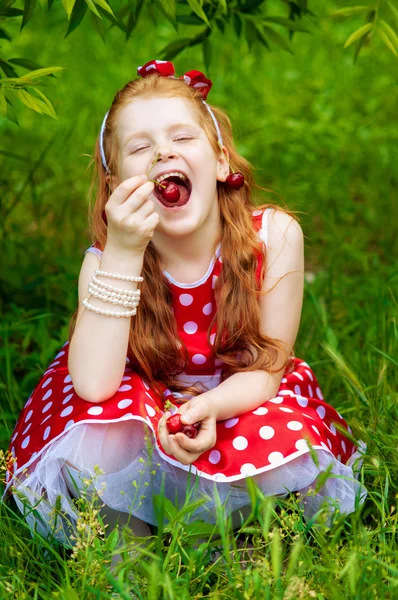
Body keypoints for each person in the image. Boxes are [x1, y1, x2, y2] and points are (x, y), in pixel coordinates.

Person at [2, 59, 367, 560]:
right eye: (139, 147)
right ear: (114, 188)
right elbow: (93, 384)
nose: (163, 152)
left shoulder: (274, 237)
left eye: (181, 138)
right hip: (141, 398)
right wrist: (125, 252)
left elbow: (269, 368)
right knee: (96, 424)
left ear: (221, 161)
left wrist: (209, 408)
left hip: (242, 394)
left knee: (287, 433)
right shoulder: (105, 263)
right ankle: (130, 548)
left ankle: (240, 541)